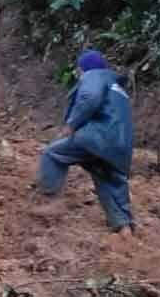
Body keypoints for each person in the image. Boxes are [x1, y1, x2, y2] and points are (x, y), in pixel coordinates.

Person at [36, 48, 135, 235]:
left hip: (97, 137)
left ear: (84, 68)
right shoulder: (118, 88)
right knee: (108, 179)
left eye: (80, 70)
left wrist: (71, 125)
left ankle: (48, 201)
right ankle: (124, 228)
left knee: (53, 154)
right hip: (121, 146)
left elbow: (90, 98)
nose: (79, 74)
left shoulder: (94, 76)